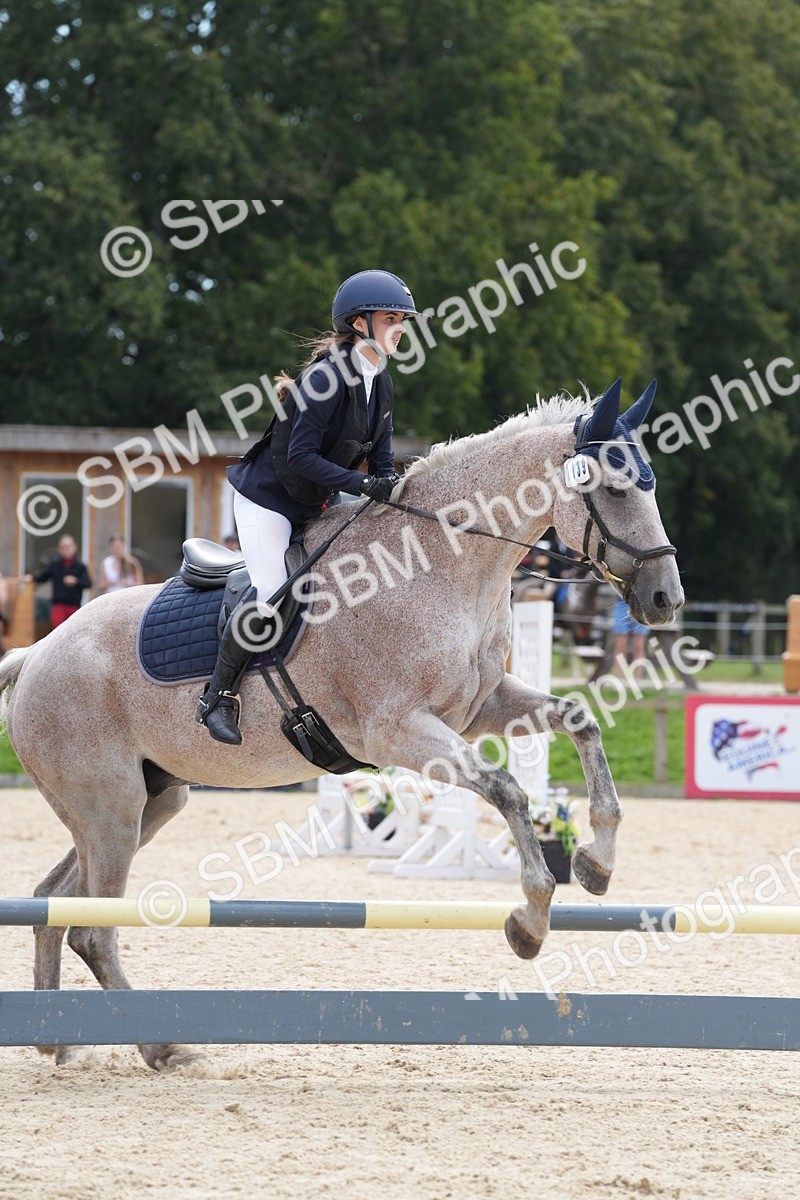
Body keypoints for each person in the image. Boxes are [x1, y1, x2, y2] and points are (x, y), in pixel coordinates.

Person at [196, 268, 419, 745]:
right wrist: (361, 485)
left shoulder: (380, 382)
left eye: (403, 319)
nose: (401, 327)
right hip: (269, 503)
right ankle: (219, 696)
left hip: (318, 502)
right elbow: (300, 456)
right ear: (361, 324)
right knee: (272, 594)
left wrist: (392, 488)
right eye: (391, 318)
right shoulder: (324, 377)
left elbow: (380, 458)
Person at [27, 535, 92, 629]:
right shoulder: (55, 564)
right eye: (63, 547)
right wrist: (31, 578)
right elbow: (42, 576)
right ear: (59, 549)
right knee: (58, 632)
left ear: (75, 547)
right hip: (58, 606)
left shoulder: (80, 566)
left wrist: (76, 581)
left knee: (73, 632)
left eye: (68, 546)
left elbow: (88, 583)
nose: (66, 549)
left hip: (74, 606)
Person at [612, 598, 651, 679]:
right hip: (621, 602)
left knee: (639, 646)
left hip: (642, 605)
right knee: (620, 645)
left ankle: (637, 680)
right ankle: (619, 679)